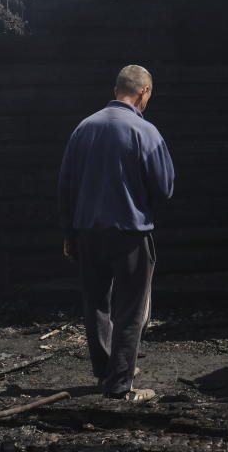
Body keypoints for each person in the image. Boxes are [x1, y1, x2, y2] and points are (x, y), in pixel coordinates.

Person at [58, 64, 174, 404]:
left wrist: (69, 231)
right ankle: (120, 383)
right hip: (129, 233)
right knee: (131, 307)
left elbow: (65, 185)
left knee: (97, 303)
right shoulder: (145, 132)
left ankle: (105, 368)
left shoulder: (83, 128)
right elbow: (164, 187)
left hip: (88, 232)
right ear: (145, 92)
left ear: (115, 90)